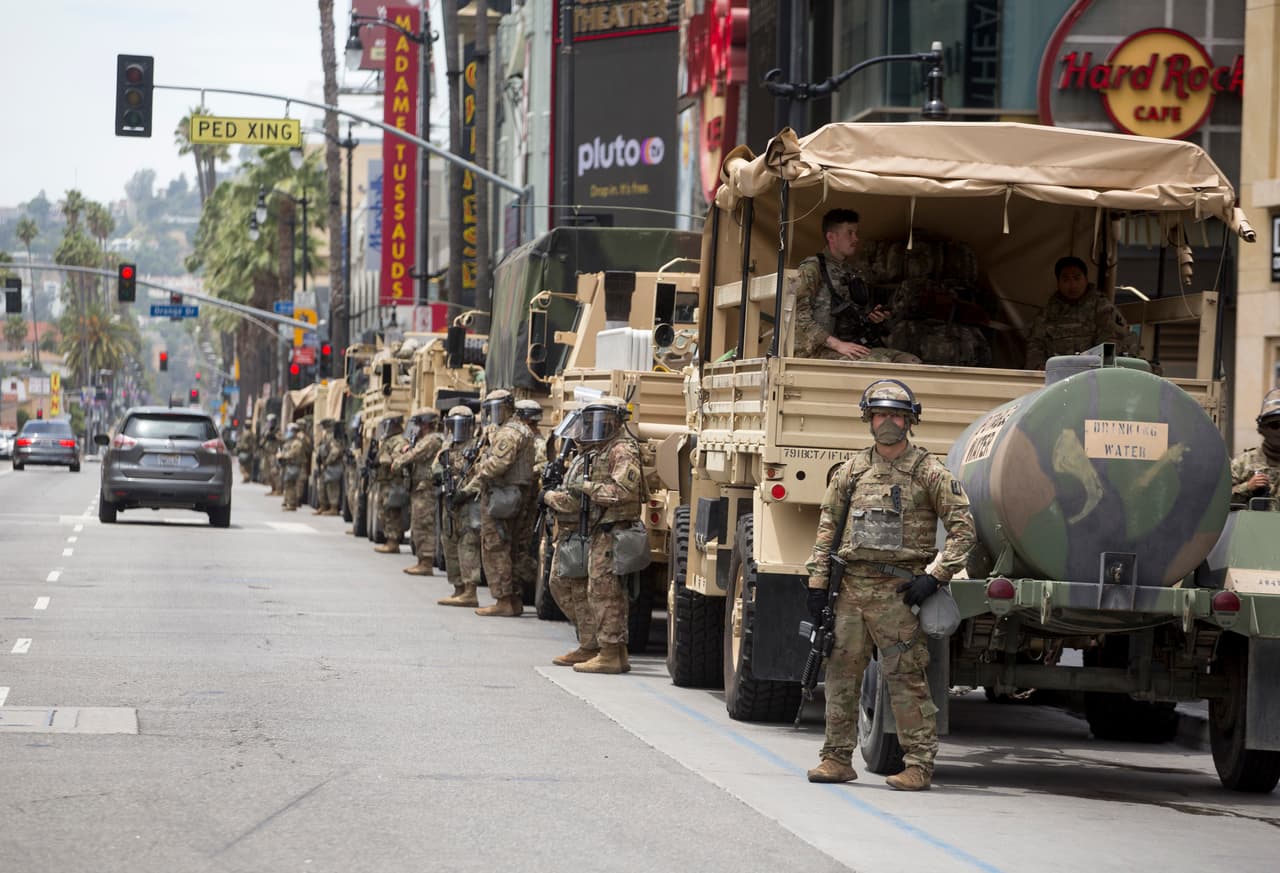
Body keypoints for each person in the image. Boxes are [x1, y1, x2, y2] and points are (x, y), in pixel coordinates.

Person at [803, 380, 975, 790]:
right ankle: (836, 759)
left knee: (906, 678)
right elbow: (827, 527)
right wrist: (816, 582)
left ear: (910, 420)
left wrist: (934, 578)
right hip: (851, 590)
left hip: (899, 594)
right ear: (868, 418)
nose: (887, 423)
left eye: (896, 415)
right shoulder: (851, 471)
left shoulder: (929, 472)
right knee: (841, 674)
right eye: (880, 414)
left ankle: (918, 765)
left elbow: (964, 531)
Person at [545, 395, 644, 674]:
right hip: (599, 530)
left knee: (605, 592)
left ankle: (611, 654)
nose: (594, 426)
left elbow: (621, 492)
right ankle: (599, 647)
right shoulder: (600, 449)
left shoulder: (622, 450)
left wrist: (587, 488)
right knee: (595, 590)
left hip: (614, 531)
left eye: (601, 420)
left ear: (616, 421)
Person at [791, 209, 921, 363]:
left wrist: (872, 319)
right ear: (831, 237)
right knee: (881, 363)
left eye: (856, 233)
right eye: (850, 233)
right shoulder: (812, 268)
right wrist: (838, 344)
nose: (856, 238)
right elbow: (798, 318)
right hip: (814, 351)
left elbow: (853, 320)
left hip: (847, 347)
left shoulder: (851, 272)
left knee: (908, 360)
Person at [466, 390, 536, 616]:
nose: (493, 414)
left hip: (503, 495)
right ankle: (513, 599)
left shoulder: (509, 432)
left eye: (496, 409)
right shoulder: (522, 429)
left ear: (507, 407)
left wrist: (478, 470)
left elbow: (498, 464)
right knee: (513, 547)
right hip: (517, 494)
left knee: (495, 546)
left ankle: (503, 600)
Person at [1023, 256, 1141, 369]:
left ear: (1085, 279)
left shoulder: (1103, 308)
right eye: (1065, 279)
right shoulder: (1048, 313)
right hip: (1056, 374)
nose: (1072, 285)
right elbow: (1035, 344)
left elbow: (1111, 343)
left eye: (1077, 278)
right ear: (1058, 283)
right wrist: (1038, 365)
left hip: (1093, 375)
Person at [436, 405, 483, 607]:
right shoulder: (446, 449)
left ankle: (470, 590)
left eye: (462, 425)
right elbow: (434, 471)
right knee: (449, 542)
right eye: (454, 425)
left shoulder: (477, 448)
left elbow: (482, 476)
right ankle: (458, 588)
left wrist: (465, 491)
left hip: (468, 504)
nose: (458, 430)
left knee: (468, 545)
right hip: (450, 504)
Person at [393, 409, 445, 576]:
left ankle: (426, 562)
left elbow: (414, 455)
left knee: (424, 525)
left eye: (420, 423)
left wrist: (398, 462)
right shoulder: (424, 439)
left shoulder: (432, 440)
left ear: (427, 423)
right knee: (418, 524)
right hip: (419, 489)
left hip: (426, 489)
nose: (417, 427)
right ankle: (422, 561)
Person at [1230, 390, 1280, 503]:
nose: (1279, 431)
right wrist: (1247, 487)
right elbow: (1218, 501)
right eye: (1274, 425)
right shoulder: (1243, 463)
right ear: (1262, 429)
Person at [373, 415, 411, 554]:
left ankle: (393, 542)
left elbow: (398, 459)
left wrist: (384, 459)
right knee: (385, 513)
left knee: (392, 513)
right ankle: (390, 540)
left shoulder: (399, 441)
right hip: (387, 482)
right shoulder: (388, 440)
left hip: (394, 483)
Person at [314, 418, 345, 516]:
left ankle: (333, 508)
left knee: (332, 487)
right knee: (322, 486)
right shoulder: (326, 437)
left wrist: (327, 461)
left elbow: (335, 451)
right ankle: (323, 506)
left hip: (333, 466)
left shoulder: (333, 437)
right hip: (326, 466)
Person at [278, 422, 309, 511]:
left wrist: (283, 456)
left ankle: (292, 504)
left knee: (291, 485)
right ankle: (289, 502)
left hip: (295, 466)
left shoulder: (297, 443)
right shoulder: (289, 442)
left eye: (290, 431)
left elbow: (294, 453)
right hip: (290, 466)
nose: (288, 432)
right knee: (288, 484)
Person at [260, 414, 282, 494]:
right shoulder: (266, 431)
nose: (269, 423)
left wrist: (274, 436)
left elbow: (281, 440)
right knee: (266, 472)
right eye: (268, 422)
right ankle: (273, 488)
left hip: (273, 454)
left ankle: (278, 489)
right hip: (266, 454)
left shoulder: (277, 431)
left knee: (274, 472)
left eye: (271, 422)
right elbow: (262, 442)